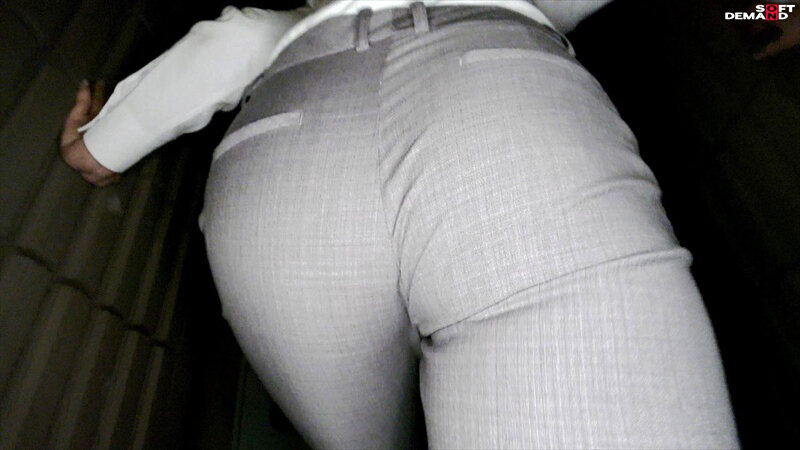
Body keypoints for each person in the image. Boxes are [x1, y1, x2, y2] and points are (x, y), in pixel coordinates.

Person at [60, 1, 754, 448]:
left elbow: (243, 37)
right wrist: (775, 9)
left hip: (287, 146)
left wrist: (107, 141)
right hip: (506, 110)